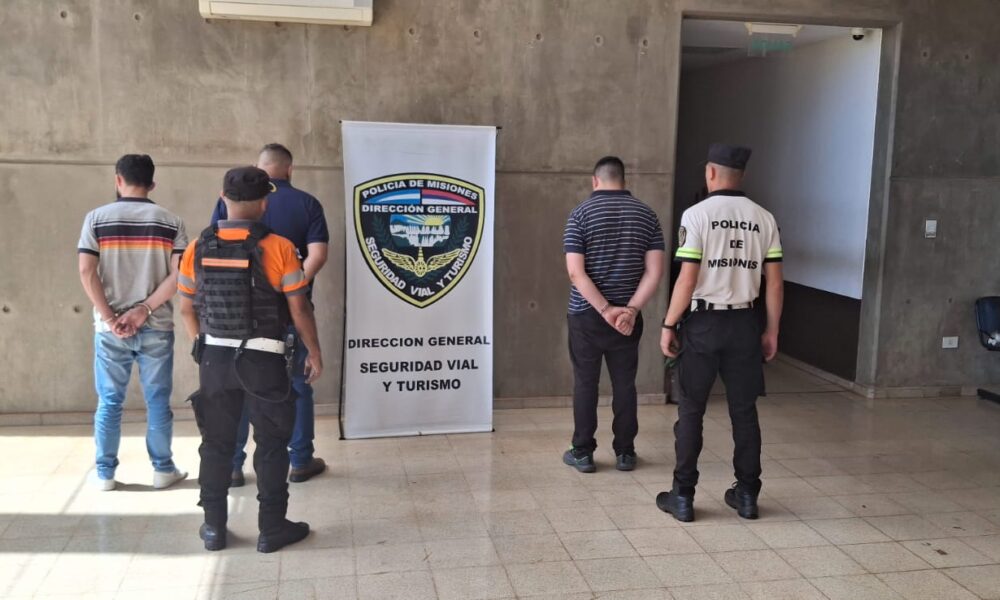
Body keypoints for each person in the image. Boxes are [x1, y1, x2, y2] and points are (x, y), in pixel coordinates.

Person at [179, 166, 324, 552]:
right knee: (272, 443)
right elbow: (299, 308)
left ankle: (213, 528)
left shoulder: (197, 247)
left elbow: (187, 308)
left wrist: (202, 347)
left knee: (216, 444)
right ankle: (271, 528)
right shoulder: (279, 247)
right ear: (264, 203)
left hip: (214, 361)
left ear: (223, 198)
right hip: (264, 361)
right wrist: (313, 351)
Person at [656, 143, 784, 522]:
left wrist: (668, 324)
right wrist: (772, 330)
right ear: (742, 175)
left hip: (704, 325)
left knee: (691, 410)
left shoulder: (696, 215)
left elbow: (687, 278)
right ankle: (746, 495)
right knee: (744, 412)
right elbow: (775, 283)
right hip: (745, 324)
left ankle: (683, 496)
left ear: (710, 173)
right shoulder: (764, 218)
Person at [210, 143, 329, 487]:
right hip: (291, 312)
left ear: (258, 167)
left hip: (233, 314)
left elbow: (218, 248)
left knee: (237, 388)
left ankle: (233, 466)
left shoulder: (227, 202)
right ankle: (300, 460)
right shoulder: (308, 203)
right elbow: (318, 255)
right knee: (297, 385)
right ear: (290, 169)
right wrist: (291, 287)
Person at [77, 154, 189, 491]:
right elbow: (180, 275)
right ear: (152, 184)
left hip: (109, 329)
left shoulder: (96, 219)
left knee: (110, 402)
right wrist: (144, 309)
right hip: (156, 324)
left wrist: (110, 317)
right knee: (158, 401)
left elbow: (86, 271)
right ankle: (162, 470)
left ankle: (105, 474)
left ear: (118, 180)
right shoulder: (171, 222)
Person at [562, 156, 666, 473]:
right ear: (623, 179)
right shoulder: (647, 215)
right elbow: (655, 272)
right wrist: (630, 310)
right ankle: (625, 452)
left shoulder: (580, 214)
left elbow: (576, 273)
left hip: (586, 314)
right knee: (624, 384)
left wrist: (605, 309)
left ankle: (582, 452)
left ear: (595, 180)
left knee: (585, 383)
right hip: (627, 319)